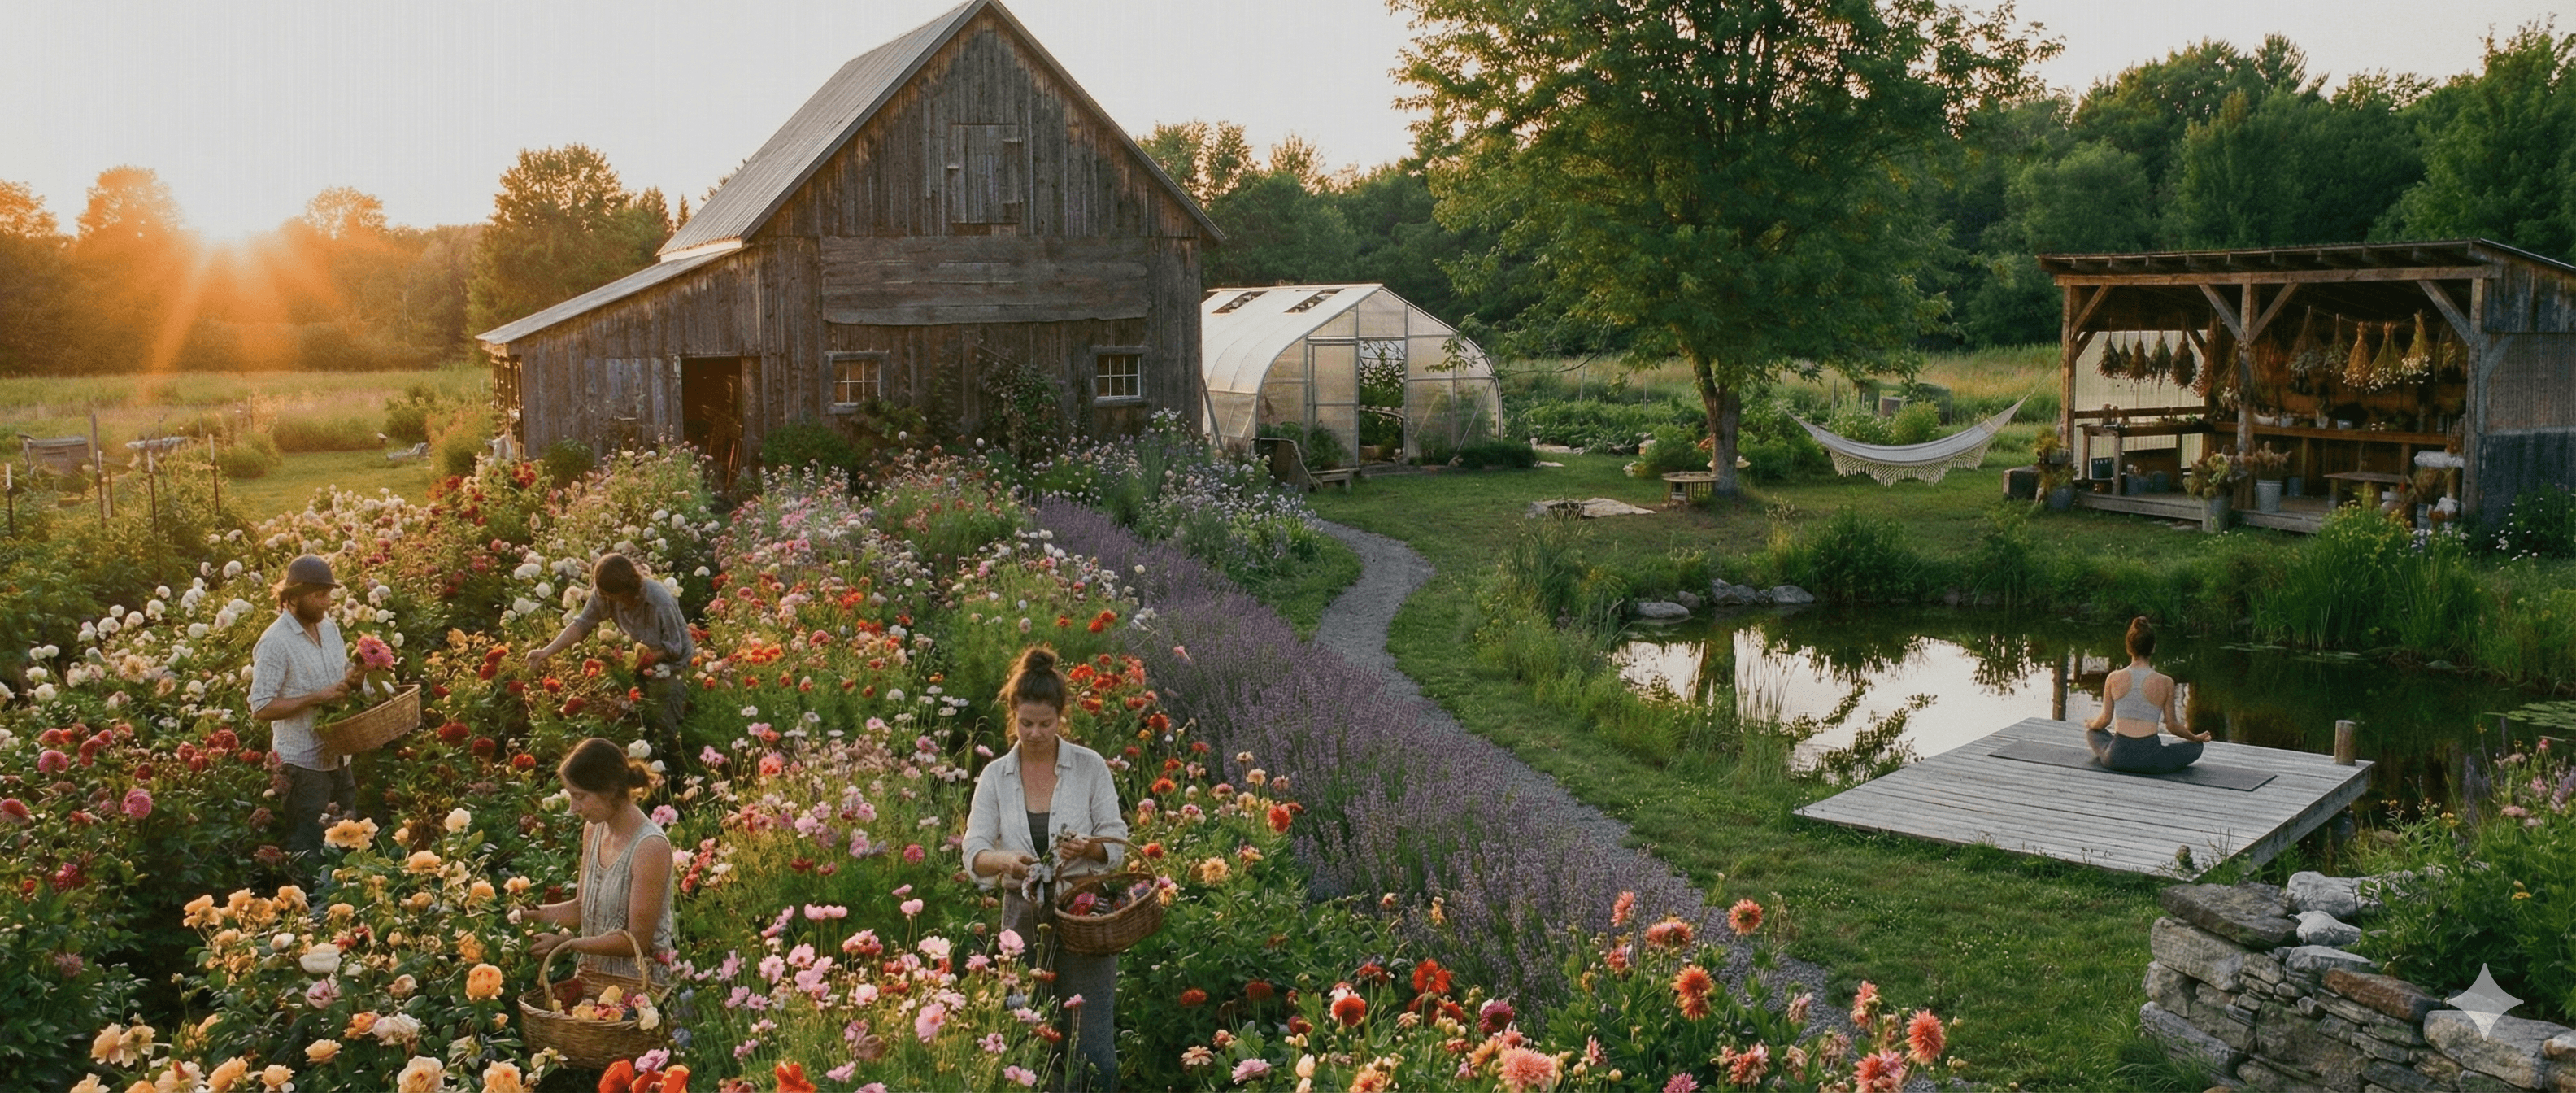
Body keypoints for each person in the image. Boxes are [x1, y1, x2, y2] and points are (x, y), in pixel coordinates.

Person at [963, 647, 1129, 1091]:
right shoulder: (996, 776)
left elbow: (1118, 843)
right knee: (1025, 1028)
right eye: (1026, 723)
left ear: (1062, 719)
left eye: (1046, 724)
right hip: (1020, 919)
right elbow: (974, 849)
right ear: (1013, 717)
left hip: (1083, 914)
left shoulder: (1089, 768)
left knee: (1090, 1037)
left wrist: (1089, 848)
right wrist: (1004, 860)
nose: (1035, 733)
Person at [249, 554, 368, 878]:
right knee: (310, 851)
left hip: (340, 755)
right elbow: (260, 706)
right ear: (293, 598)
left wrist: (358, 677)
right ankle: (310, 919)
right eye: (318, 595)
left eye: (328, 594)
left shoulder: (328, 628)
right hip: (304, 765)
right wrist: (317, 698)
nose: (326, 602)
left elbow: (340, 676)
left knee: (352, 844)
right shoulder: (275, 642)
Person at [528, 738, 675, 982]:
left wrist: (568, 945)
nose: (573, 808)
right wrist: (530, 914)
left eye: (580, 797)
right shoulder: (594, 830)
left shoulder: (650, 848)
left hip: (639, 992)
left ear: (609, 790)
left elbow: (637, 941)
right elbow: (581, 908)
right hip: (594, 982)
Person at [529, 554, 694, 764]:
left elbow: (675, 647)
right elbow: (582, 624)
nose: (606, 599)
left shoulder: (658, 600)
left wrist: (646, 659)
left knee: (665, 725)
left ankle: (674, 771)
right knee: (635, 715)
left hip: (673, 663)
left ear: (627, 589)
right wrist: (545, 652)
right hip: (643, 657)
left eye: (611, 595)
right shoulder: (605, 593)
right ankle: (642, 767)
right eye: (603, 594)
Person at [2084, 616, 2210, 773]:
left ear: (2128, 647)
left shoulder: (2113, 678)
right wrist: (2195, 738)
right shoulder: (2166, 682)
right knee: (2196, 748)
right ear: (2153, 648)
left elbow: (2104, 720)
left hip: (2116, 758)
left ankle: (2108, 748)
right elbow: (2172, 726)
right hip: (2152, 760)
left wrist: (2091, 725)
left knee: (2093, 733)